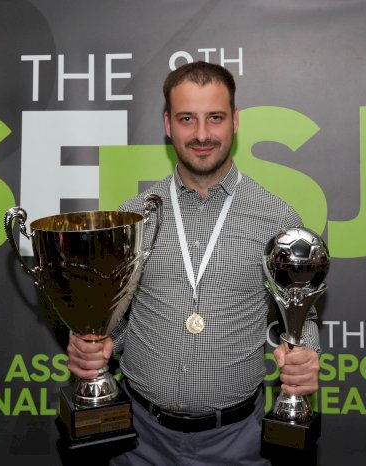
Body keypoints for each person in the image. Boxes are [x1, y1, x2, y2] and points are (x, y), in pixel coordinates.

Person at [67, 61, 320, 465]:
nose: (202, 134)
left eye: (215, 117)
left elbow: (300, 314)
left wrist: (305, 354)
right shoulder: (133, 219)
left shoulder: (278, 219)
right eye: (187, 118)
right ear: (168, 124)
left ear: (235, 121)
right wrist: (94, 342)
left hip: (239, 440)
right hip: (140, 440)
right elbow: (113, 317)